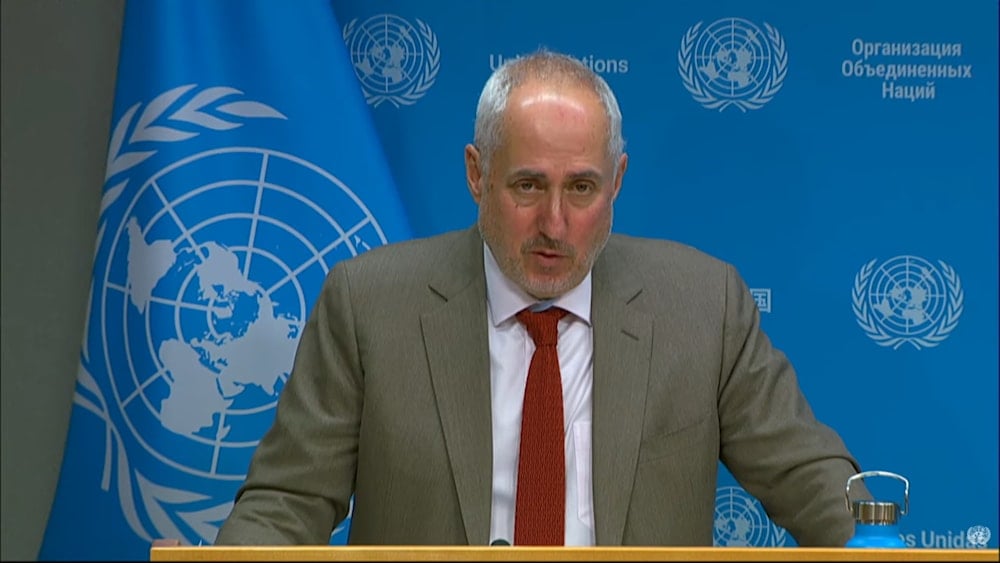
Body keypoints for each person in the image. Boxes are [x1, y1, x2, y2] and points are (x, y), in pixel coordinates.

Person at [215, 49, 863, 547]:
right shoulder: (368, 304)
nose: (554, 223)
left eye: (581, 189)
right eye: (528, 186)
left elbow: (811, 479)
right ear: (477, 173)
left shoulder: (702, 305)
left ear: (617, 182)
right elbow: (287, 503)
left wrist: (878, 543)